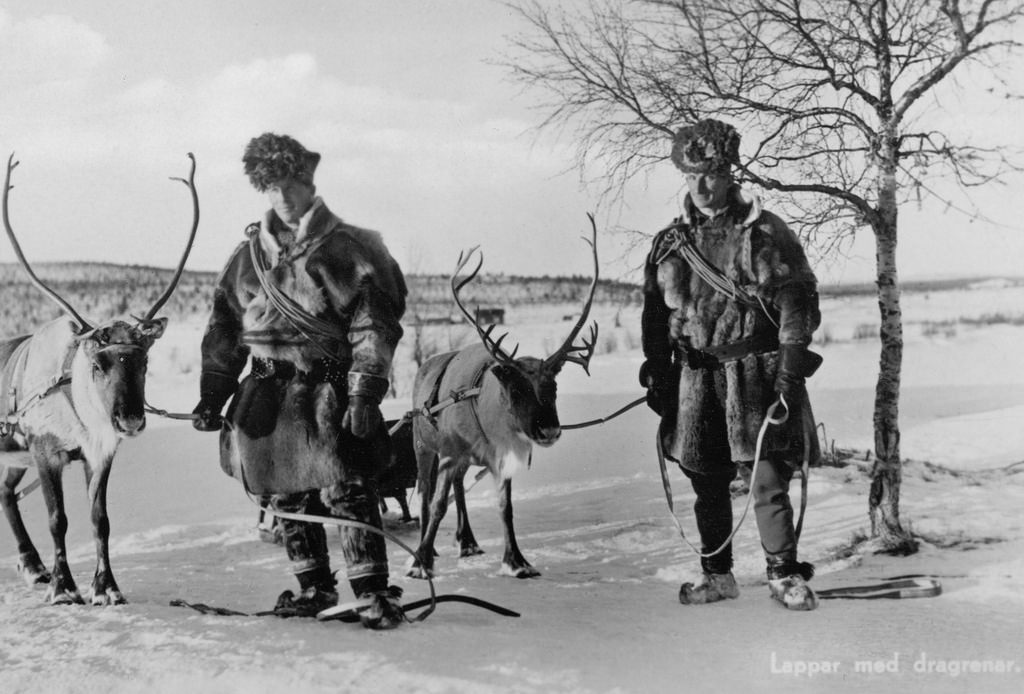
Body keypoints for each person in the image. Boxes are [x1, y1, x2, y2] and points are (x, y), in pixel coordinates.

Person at [192, 133, 408, 628]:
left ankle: (371, 593)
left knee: (348, 488)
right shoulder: (247, 258)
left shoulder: (350, 248)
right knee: (286, 493)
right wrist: (213, 391)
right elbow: (224, 326)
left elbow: (373, 324)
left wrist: (364, 391)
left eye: (292, 185)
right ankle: (314, 588)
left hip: (330, 390)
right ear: (262, 191)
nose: (284, 197)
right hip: (268, 393)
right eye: (272, 188)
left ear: (310, 183)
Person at [640, 119, 823, 611]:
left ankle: (784, 573)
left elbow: (797, 306)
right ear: (684, 175)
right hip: (695, 379)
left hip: (756, 372)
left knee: (766, 477)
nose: (704, 185)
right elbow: (655, 315)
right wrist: (657, 370)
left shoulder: (765, 233)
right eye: (694, 174)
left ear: (730, 173)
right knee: (705, 478)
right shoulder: (668, 244)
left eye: (715, 173)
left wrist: (788, 370)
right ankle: (717, 575)